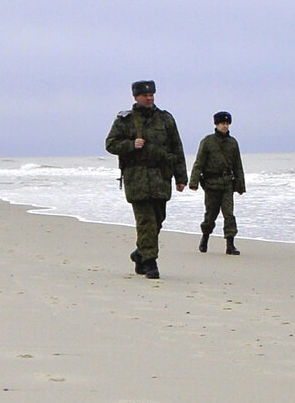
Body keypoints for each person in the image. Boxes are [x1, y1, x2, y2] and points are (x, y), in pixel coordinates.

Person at [105, 80, 187, 279]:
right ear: (136, 97)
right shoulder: (125, 120)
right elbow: (111, 144)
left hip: (160, 177)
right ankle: (151, 262)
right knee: (146, 222)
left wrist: (181, 177)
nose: (149, 98)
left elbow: (177, 148)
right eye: (145, 95)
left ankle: (140, 254)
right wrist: (131, 144)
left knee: (158, 220)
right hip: (137, 179)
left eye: (152, 95)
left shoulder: (165, 119)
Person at [189, 111, 246, 255]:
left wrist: (240, 185)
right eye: (222, 123)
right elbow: (199, 163)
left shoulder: (233, 143)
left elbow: (238, 165)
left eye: (227, 124)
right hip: (211, 184)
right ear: (216, 124)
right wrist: (194, 182)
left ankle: (230, 244)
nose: (225, 126)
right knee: (210, 216)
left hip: (227, 184)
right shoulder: (207, 142)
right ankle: (205, 238)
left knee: (229, 215)